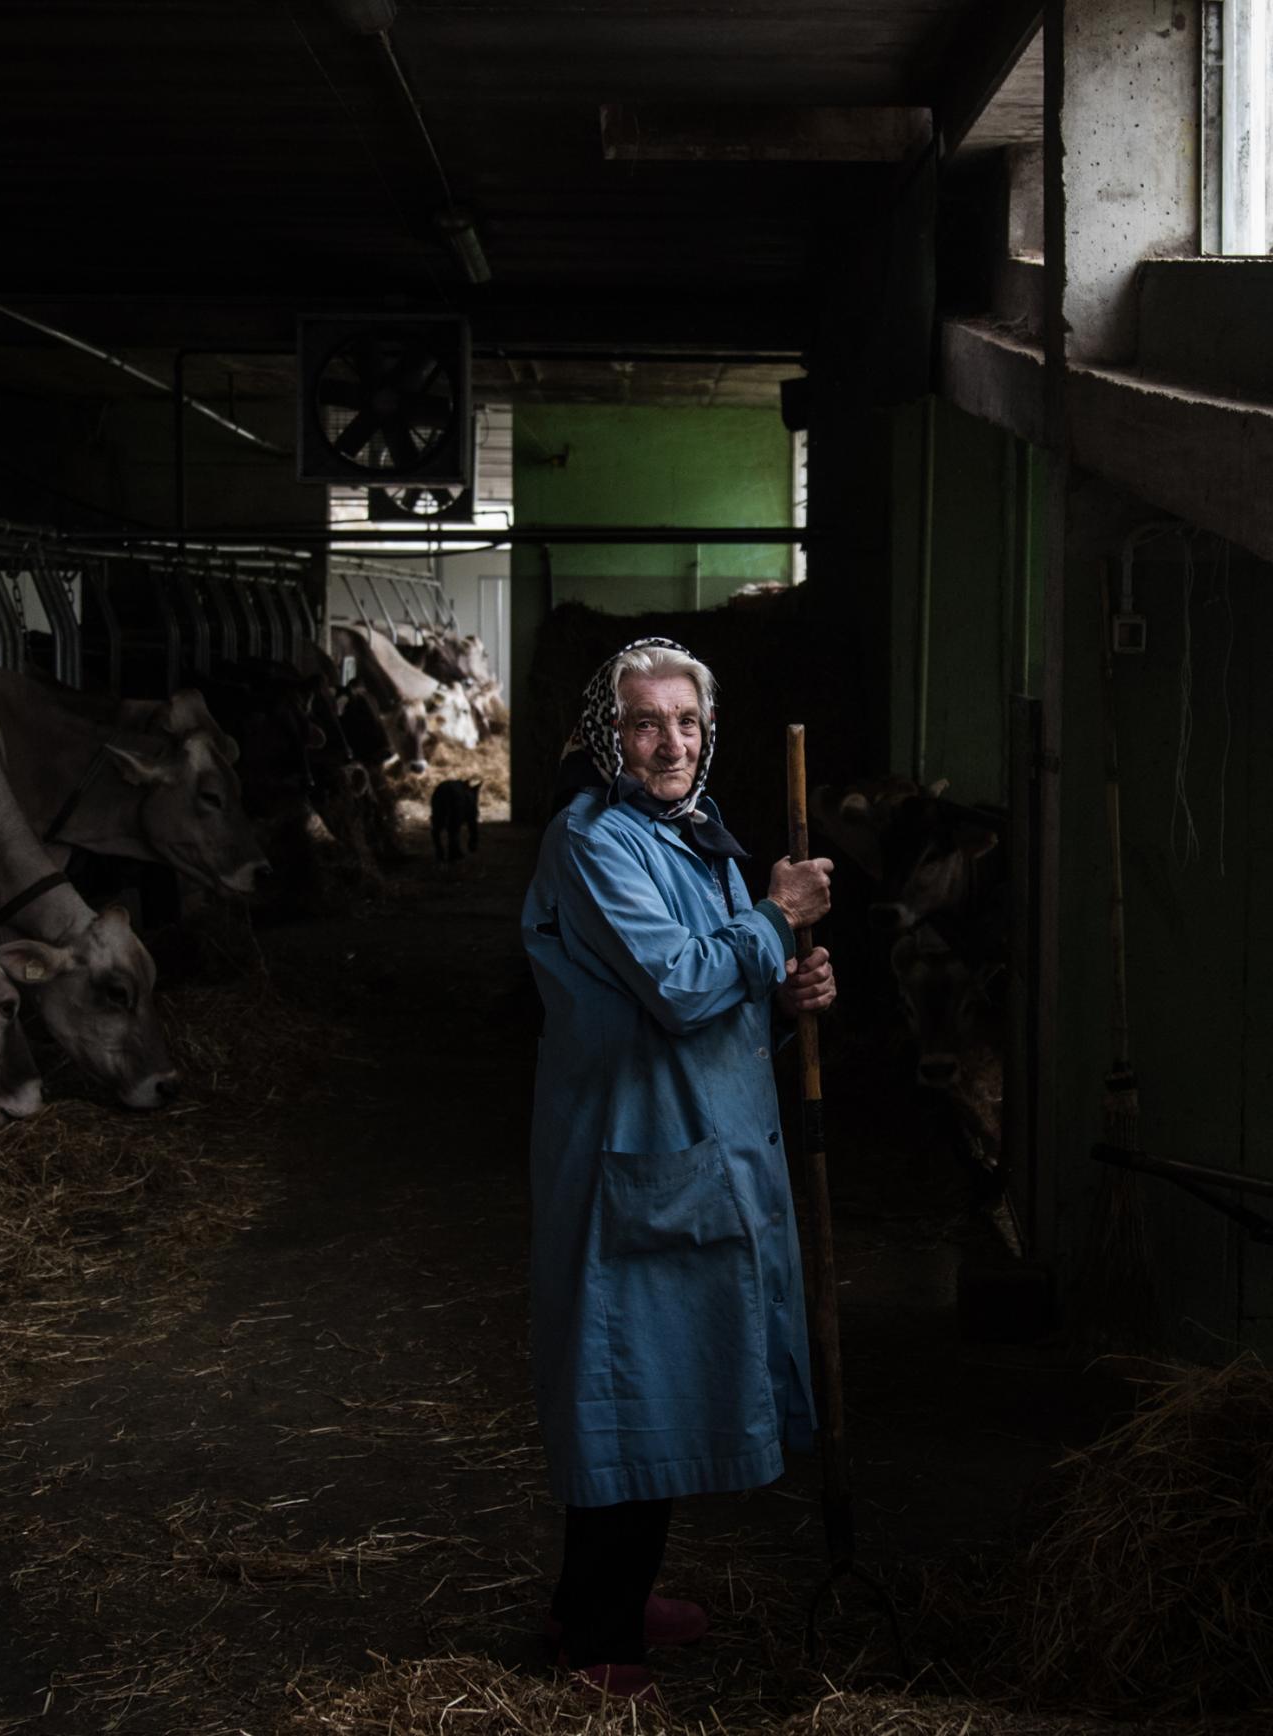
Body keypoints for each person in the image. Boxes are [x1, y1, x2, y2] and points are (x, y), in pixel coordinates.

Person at [519, 637, 837, 1701]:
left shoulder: (695, 837)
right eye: (646, 722)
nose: (671, 742)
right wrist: (775, 918)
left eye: (687, 721)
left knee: (662, 1379)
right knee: (626, 1380)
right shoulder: (594, 841)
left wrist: (784, 991)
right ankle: (598, 1640)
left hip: (694, 1139)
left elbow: (725, 988)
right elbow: (681, 986)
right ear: (608, 736)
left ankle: (597, 1593)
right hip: (632, 1145)